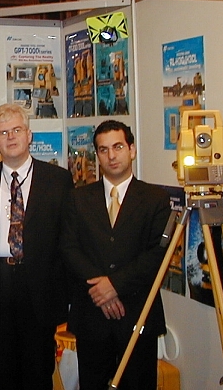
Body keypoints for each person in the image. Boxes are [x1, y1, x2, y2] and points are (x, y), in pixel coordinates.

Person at [61, 119, 171, 390]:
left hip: (137, 315)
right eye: (103, 149)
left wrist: (115, 285)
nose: (111, 155)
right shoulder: (78, 198)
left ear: (132, 150)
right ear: (97, 155)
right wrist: (101, 288)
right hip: (92, 317)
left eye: (118, 147)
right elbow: (69, 248)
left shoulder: (155, 198)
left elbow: (157, 254)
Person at [0, 103, 74, 390]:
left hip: (39, 288)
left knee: (37, 373)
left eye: (17, 130)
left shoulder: (58, 180)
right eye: (3, 132)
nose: (11, 137)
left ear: (29, 135)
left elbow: (68, 238)